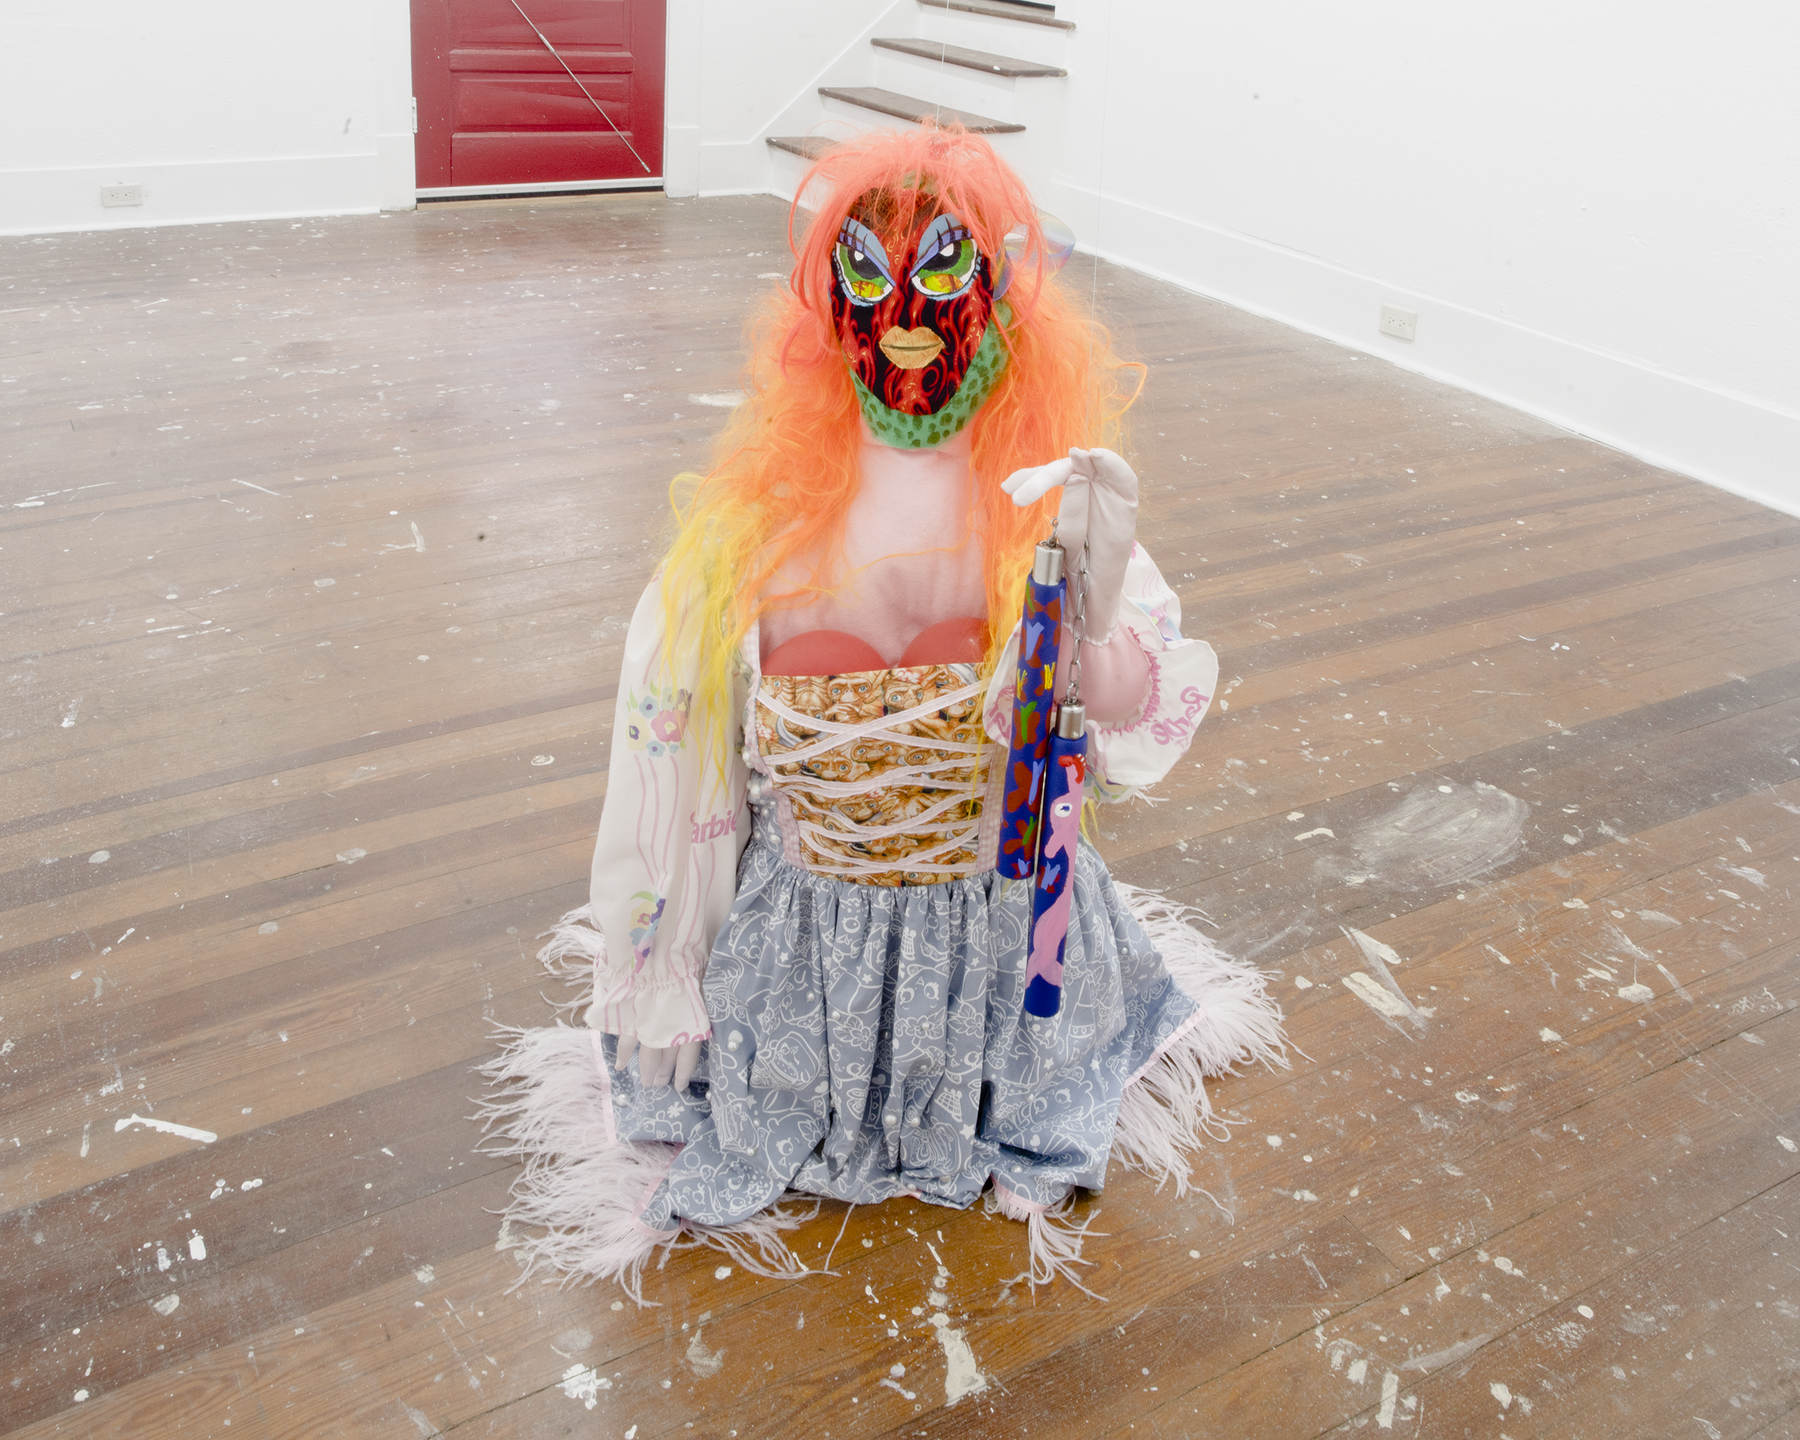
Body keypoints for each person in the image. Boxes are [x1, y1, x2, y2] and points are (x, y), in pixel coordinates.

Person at [477, 124, 1292, 1306]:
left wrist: (1092, 609)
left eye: (945, 271)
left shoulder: (1039, 509)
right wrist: (664, 955)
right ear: (828, 308)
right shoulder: (755, 537)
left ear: (1001, 303)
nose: (908, 315)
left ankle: (1004, 1087)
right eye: (868, 276)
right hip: (808, 942)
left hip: (1000, 931)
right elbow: (673, 762)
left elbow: (1120, 713)